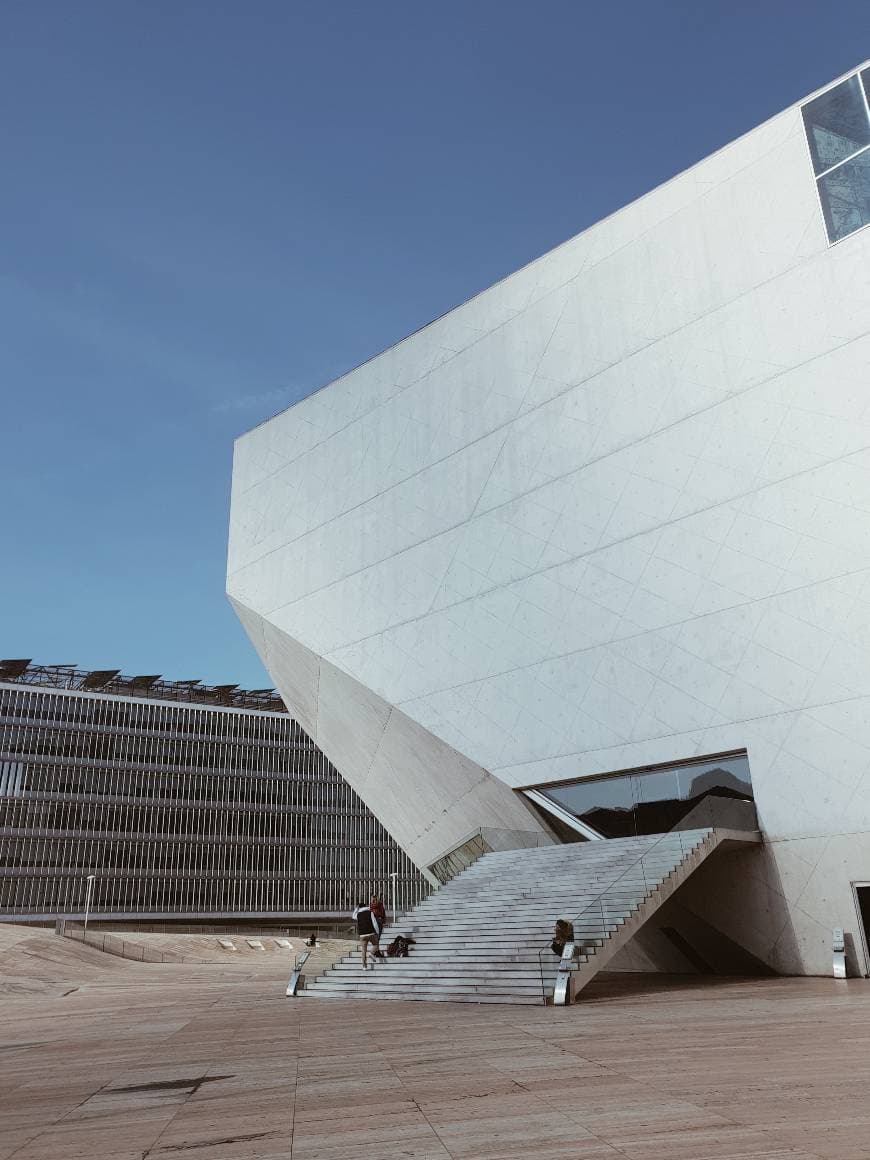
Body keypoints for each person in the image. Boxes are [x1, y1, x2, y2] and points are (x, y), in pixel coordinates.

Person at [352, 900, 381, 969]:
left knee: (363, 950)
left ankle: (364, 966)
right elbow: (374, 923)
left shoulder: (358, 915)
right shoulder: (370, 912)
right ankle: (371, 953)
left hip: (362, 935)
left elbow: (353, 916)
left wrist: (356, 909)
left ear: (359, 908)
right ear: (365, 906)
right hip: (371, 933)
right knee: (376, 945)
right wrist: (377, 932)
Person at [370, 893, 386, 958]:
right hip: (378, 921)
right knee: (377, 937)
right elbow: (383, 913)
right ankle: (375, 951)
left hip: (373, 921)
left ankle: (377, 951)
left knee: (376, 937)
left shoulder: (371, 906)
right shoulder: (380, 904)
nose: (374, 901)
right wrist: (383, 921)